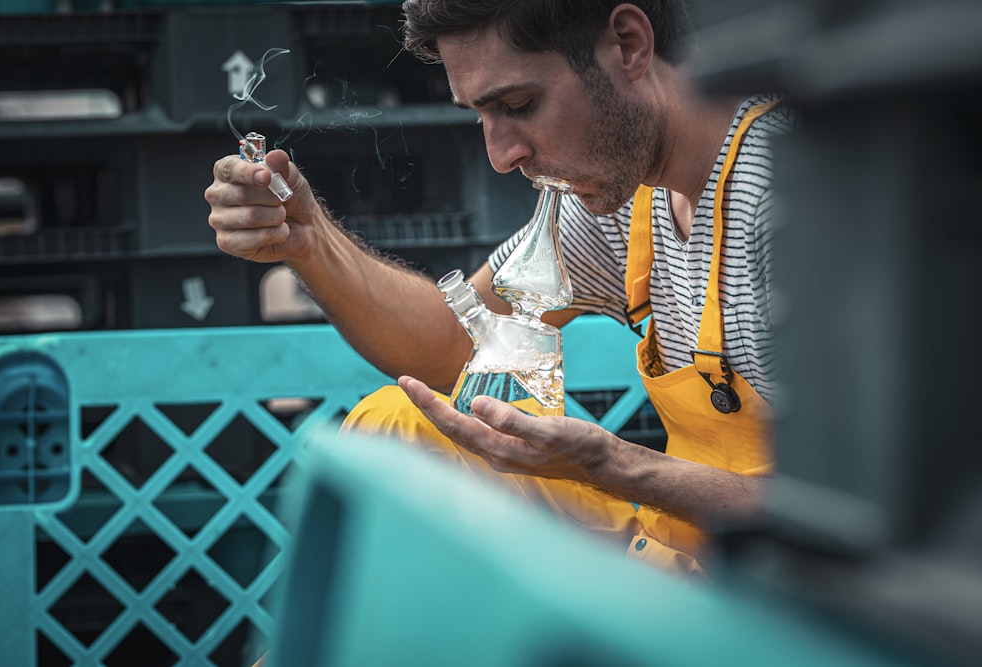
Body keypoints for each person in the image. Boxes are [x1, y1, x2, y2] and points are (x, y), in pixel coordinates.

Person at [205, 0, 795, 579]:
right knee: (400, 427)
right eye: (481, 115)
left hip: (794, 604)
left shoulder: (790, 208)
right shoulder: (625, 198)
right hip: (684, 550)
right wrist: (309, 241)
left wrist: (611, 464)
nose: (501, 155)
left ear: (628, 45)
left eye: (518, 104)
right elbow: (453, 345)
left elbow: (864, 528)